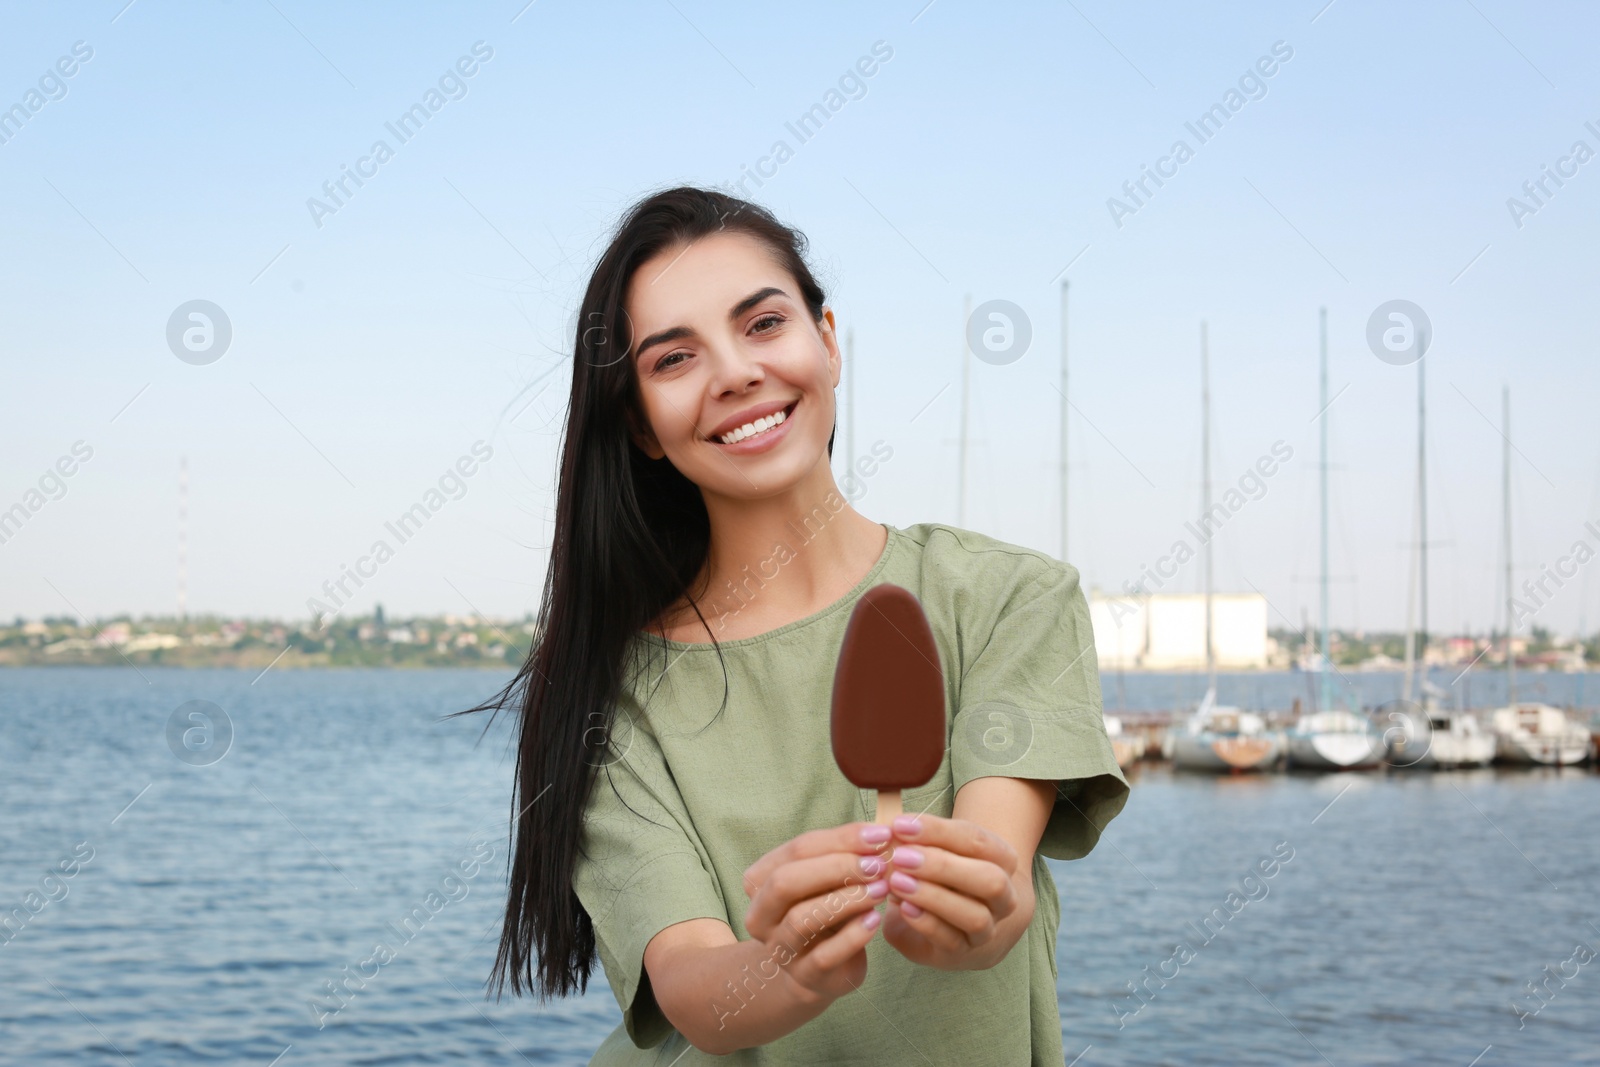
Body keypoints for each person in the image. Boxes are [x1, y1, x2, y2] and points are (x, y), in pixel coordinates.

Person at [461, 186, 1129, 1064]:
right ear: (643, 428)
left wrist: (976, 910)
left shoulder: (1010, 598)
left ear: (829, 340)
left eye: (765, 324)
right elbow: (695, 986)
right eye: (673, 360)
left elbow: (997, 881)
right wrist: (783, 969)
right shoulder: (608, 695)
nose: (735, 372)